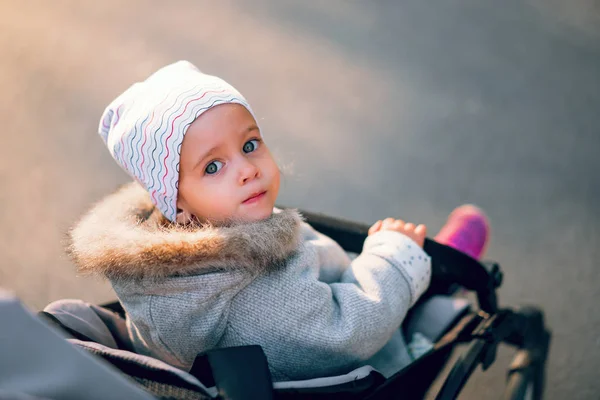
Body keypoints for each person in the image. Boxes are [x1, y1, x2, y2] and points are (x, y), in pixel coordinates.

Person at [68, 61, 489, 382]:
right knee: (412, 265)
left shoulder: (177, 274)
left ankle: (424, 264)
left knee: (389, 251)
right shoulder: (254, 301)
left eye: (249, 144)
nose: (247, 169)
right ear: (177, 204)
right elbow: (350, 331)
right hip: (369, 353)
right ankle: (430, 270)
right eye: (213, 167)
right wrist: (394, 258)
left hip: (329, 289)